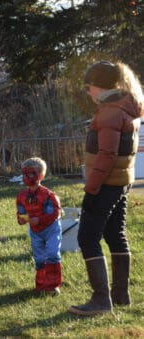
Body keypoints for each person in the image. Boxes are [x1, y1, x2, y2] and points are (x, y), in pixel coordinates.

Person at [69, 60, 143, 315]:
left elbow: (107, 156)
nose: (87, 92)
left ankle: (101, 301)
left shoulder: (110, 112)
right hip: (121, 183)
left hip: (107, 184)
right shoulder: (125, 107)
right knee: (115, 235)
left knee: (87, 237)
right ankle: (120, 296)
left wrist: (91, 189)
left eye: (88, 86)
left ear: (98, 86)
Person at [16, 157, 62, 294]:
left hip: (51, 229)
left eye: (30, 174)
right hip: (35, 231)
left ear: (40, 176)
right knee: (40, 258)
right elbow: (20, 212)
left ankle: (53, 285)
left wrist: (40, 219)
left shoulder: (48, 196)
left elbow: (54, 213)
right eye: (24, 174)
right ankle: (42, 285)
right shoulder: (22, 196)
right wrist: (21, 219)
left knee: (53, 253)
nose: (26, 177)